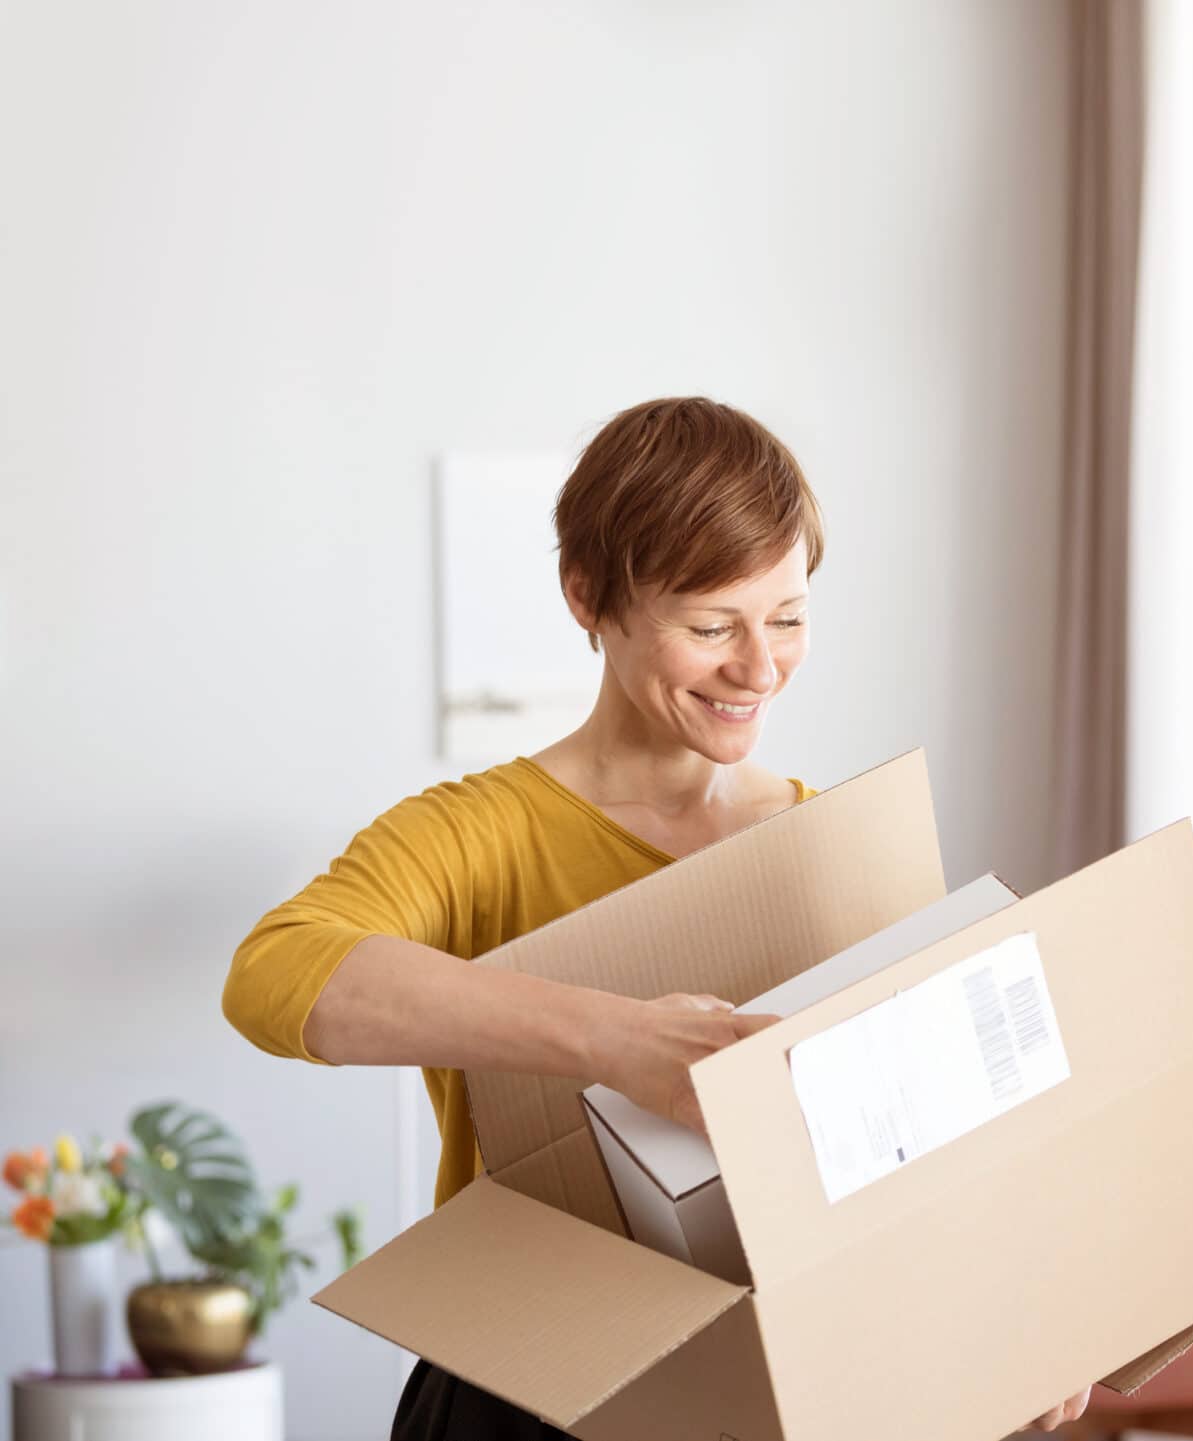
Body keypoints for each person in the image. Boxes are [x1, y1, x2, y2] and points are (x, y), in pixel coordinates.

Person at [222, 397, 1094, 1439]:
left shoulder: (836, 850)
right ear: (589, 596)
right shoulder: (477, 835)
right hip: (528, 1396)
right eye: (710, 624)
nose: (759, 667)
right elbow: (278, 976)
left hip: (776, 1392)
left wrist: (1022, 1316)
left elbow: (915, 1158)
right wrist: (620, 1041)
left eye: (787, 616)